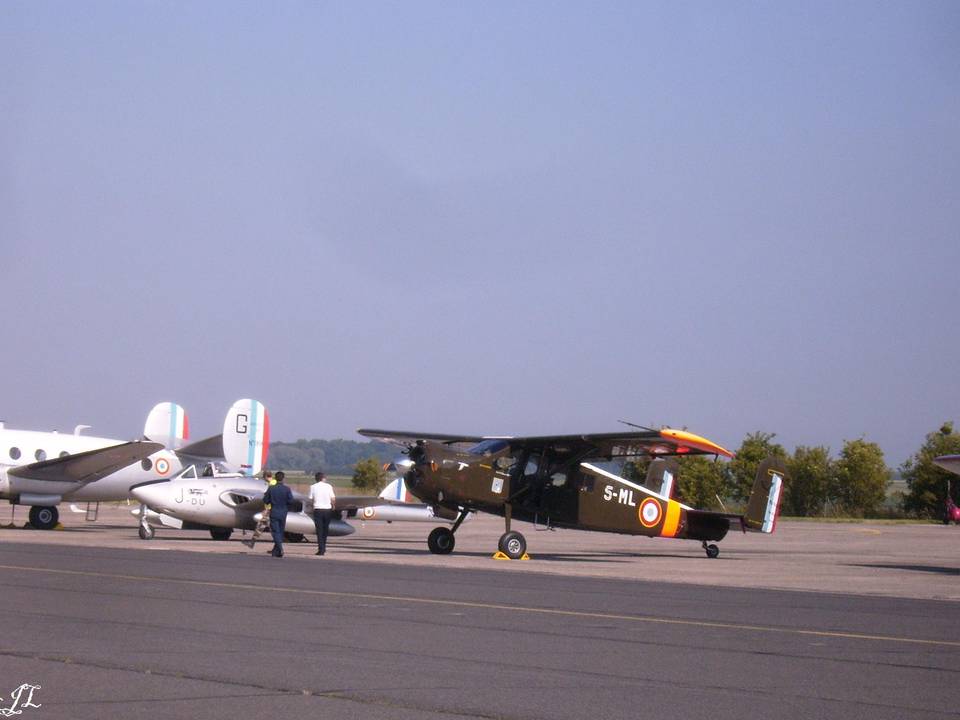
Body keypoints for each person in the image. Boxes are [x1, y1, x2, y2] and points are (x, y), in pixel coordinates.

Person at [263, 470, 293, 557]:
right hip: (283, 512)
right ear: (283, 479)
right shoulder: (287, 489)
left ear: (275, 478)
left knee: (275, 532)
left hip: (274, 511)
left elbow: (265, 500)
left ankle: (279, 548)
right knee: (280, 531)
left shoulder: (271, 488)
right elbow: (290, 501)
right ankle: (276, 551)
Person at [242, 471, 273, 549]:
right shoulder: (272, 483)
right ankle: (252, 543)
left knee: (263, 526)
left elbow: (271, 498)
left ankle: (252, 543)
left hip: (270, 510)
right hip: (270, 509)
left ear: (266, 477)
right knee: (262, 526)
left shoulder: (272, 484)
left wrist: (267, 509)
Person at [308, 471, 336, 556]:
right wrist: (333, 505)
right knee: (325, 529)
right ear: (323, 478)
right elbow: (333, 498)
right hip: (327, 509)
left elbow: (310, 499)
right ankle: (323, 546)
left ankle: (321, 549)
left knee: (319, 530)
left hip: (318, 509)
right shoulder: (328, 486)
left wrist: (312, 505)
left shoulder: (312, 487)